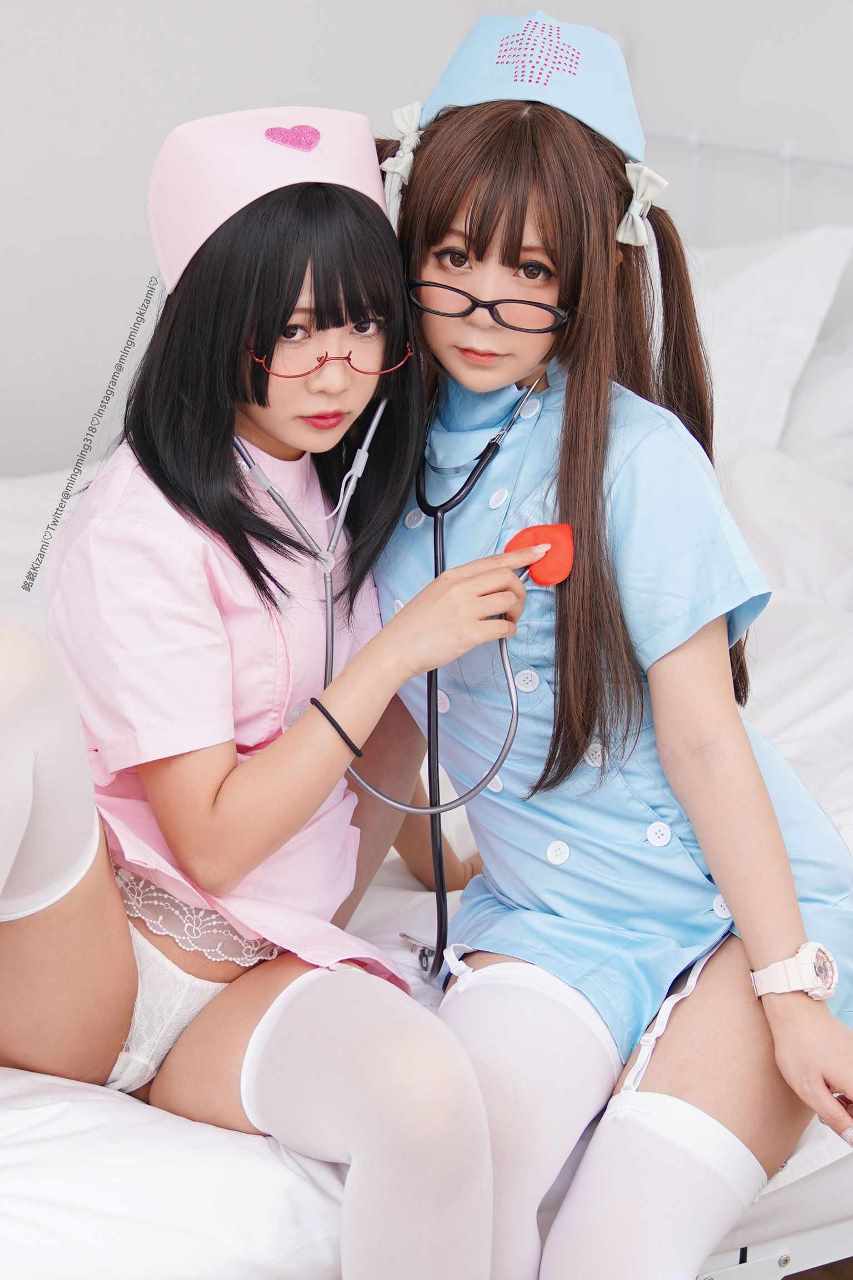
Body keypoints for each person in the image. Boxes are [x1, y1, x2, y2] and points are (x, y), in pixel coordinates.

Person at [0, 103, 550, 1280]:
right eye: (291, 329)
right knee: (10, 672)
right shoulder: (142, 526)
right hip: (96, 958)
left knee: (427, 1097)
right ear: (214, 325)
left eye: (359, 324)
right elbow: (207, 841)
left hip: (253, 973)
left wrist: (443, 853)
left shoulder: (332, 484)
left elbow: (375, 738)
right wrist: (393, 651)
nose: (333, 367)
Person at [374, 13, 853, 1278]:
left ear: (587, 278)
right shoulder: (372, 464)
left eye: (530, 269)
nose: (483, 304)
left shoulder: (639, 459)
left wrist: (791, 988)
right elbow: (399, 717)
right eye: (453, 254)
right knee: (461, 1185)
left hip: (748, 913)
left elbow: (703, 739)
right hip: (552, 915)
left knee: (612, 1251)